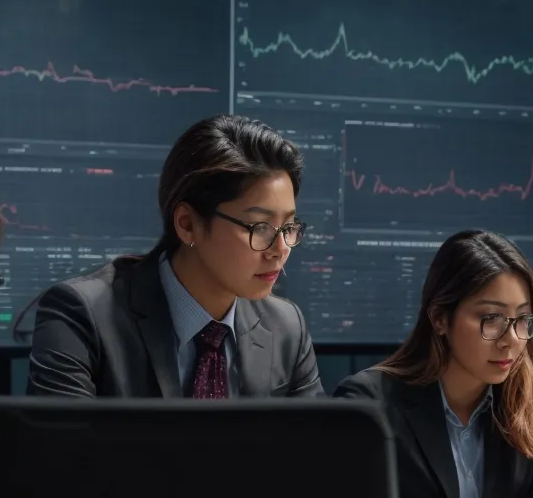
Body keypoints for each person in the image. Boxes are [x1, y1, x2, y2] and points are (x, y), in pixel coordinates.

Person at [27, 114, 322, 399]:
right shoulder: (82, 316)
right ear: (187, 224)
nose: (281, 248)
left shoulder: (286, 327)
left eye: (289, 227)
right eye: (260, 227)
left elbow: (320, 445)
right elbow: (62, 448)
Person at [335, 230, 533, 498]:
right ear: (439, 318)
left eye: (522, 319)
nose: (513, 339)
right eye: (491, 319)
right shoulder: (370, 403)